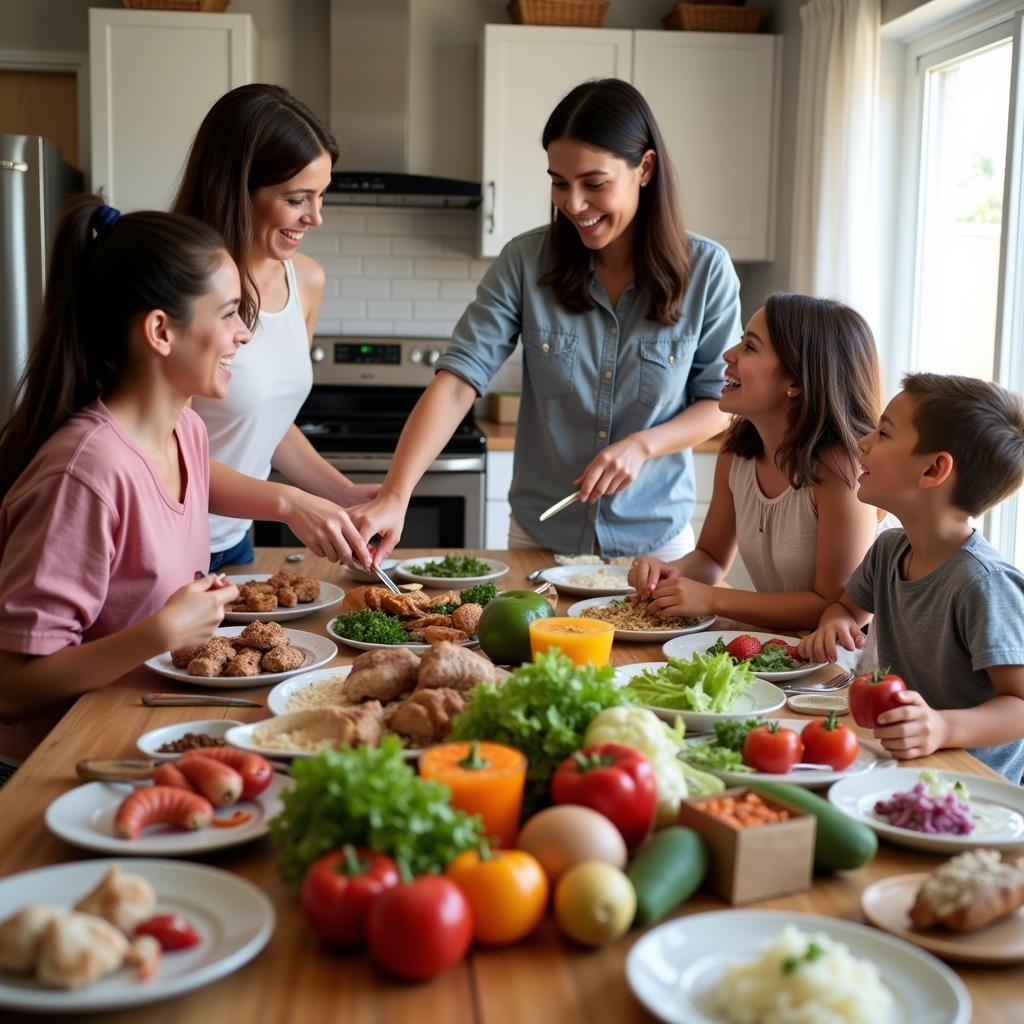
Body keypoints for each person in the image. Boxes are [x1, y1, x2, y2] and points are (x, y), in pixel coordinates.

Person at [350, 79, 739, 561]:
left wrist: (643, 444)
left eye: (594, 184)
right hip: (540, 542)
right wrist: (395, 492)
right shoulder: (524, 261)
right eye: (559, 182)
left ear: (645, 168)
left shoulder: (706, 270)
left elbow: (722, 403)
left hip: (655, 547)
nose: (573, 204)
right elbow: (457, 382)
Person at [0, 197, 246, 773]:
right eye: (230, 313)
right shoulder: (87, 472)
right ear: (161, 331)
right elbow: (10, 688)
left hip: (137, 734)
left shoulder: (186, 430)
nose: (243, 334)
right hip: (54, 767)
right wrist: (159, 632)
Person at [173, 84, 377, 571]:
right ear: (236, 186)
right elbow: (162, 451)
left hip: (234, 541)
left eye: (321, 196)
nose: (316, 217)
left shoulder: (305, 280)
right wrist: (288, 503)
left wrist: (342, 493)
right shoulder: (178, 283)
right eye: (296, 199)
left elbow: (266, 419)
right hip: (169, 542)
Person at [798, 373, 1024, 782]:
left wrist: (943, 727)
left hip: (972, 784)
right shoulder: (890, 550)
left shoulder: (983, 582)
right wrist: (835, 622)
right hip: (908, 760)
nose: (863, 441)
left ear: (934, 469)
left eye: (884, 432)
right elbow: (845, 607)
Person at [630, 294, 884, 631]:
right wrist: (668, 571)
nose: (728, 355)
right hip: (785, 649)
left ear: (795, 381)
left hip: (850, 666)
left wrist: (712, 598)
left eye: (750, 348)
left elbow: (833, 604)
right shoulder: (737, 450)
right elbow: (711, 558)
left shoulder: (841, 468)